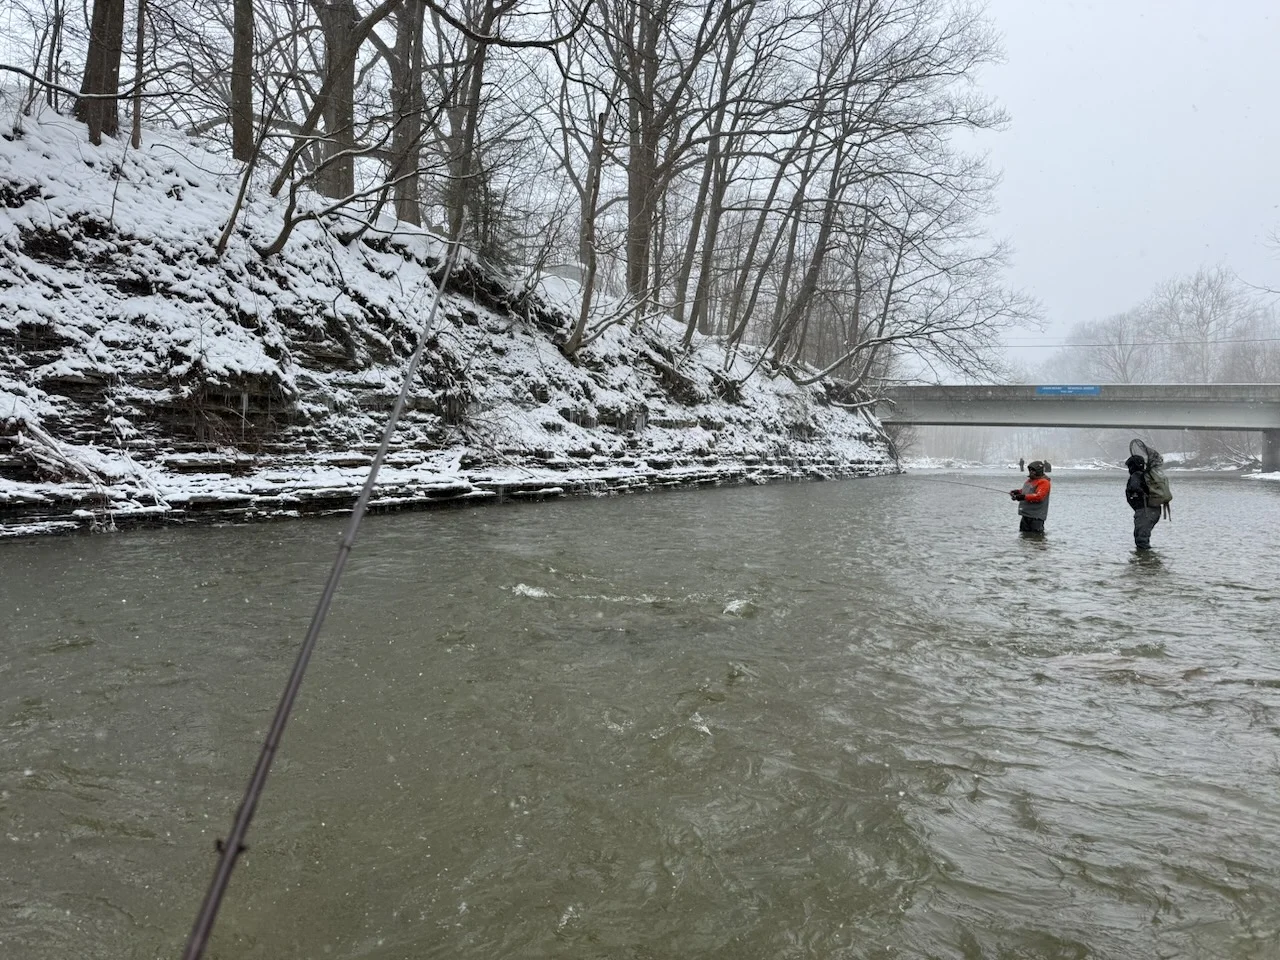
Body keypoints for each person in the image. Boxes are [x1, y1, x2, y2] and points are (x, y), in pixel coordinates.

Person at [1125, 454, 1162, 550]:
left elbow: (1135, 487)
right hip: (1154, 510)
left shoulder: (1136, 475)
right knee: (1142, 538)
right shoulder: (1147, 476)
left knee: (1141, 540)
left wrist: (1139, 493)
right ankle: (1146, 562)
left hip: (1145, 510)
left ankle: (1144, 562)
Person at [1009, 460, 1051, 534]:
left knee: (1036, 538)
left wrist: (1023, 497)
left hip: (1036, 517)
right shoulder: (1030, 481)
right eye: (1030, 470)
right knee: (1024, 538)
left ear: (1038, 471)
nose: (1031, 472)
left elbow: (1039, 496)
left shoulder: (1044, 482)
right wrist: (1017, 492)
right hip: (1026, 515)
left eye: (1033, 470)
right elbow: (1027, 491)